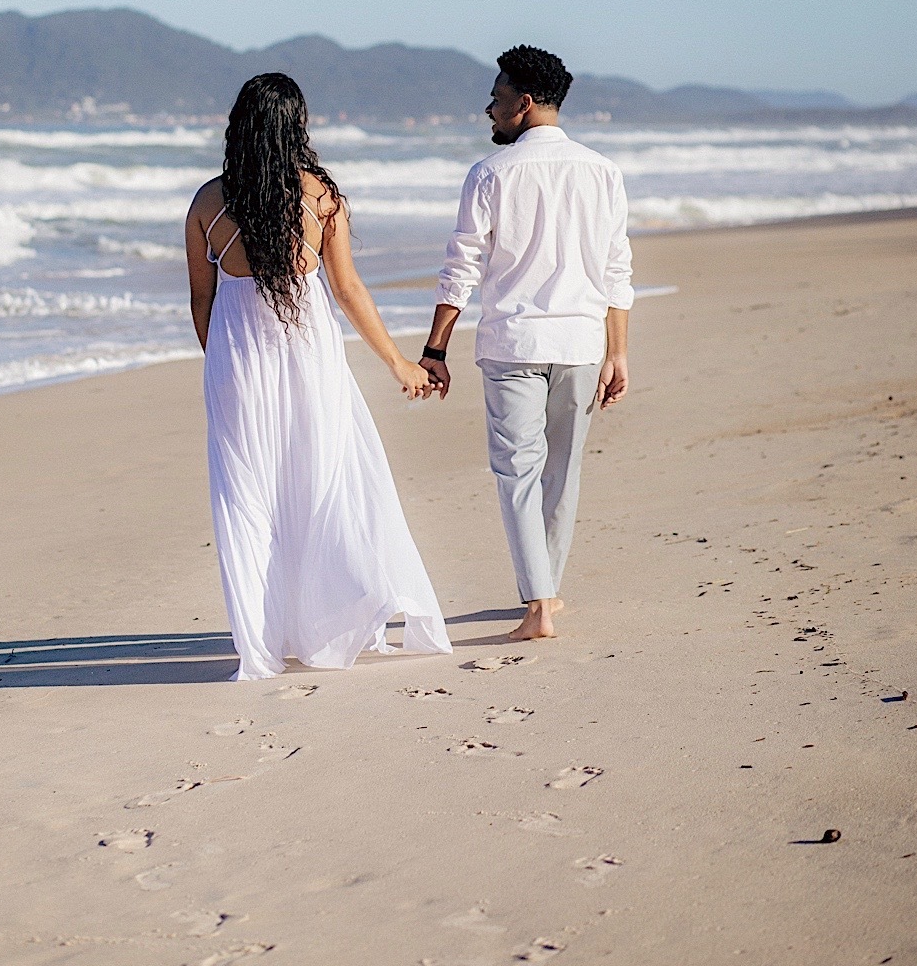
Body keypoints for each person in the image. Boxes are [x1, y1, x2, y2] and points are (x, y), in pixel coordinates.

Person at [186, 72, 452, 680]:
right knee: (325, 480)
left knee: (249, 500)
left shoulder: (207, 202)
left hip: (237, 367)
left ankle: (262, 639)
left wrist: (223, 365)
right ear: (296, 127)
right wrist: (400, 364)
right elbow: (349, 291)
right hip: (312, 361)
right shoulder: (321, 198)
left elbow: (201, 304)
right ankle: (325, 623)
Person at [419, 45, 634, 642]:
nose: (489, 108)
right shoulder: (602, 171)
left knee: (518, 471)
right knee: (562, 472)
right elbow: (618, 270)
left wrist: (435, 349)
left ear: (525, 102)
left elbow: (461, 267)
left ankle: (537, 604)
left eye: (498, 96)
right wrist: (618, 351)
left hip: (514, 342)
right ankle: (549, 591)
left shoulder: (490, 174)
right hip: (582, 344)